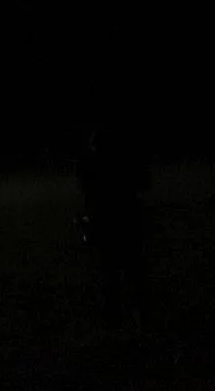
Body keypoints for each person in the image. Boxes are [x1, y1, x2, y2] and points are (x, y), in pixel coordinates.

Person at [76, 123, 149, 326]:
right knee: (130, 271)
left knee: (111, 272)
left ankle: (115, 315)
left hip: (109, 223)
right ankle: (136, 312)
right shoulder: (125, 163)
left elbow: (87, 195)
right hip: (126, 222)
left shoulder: (92, 166)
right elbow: (144, 184)